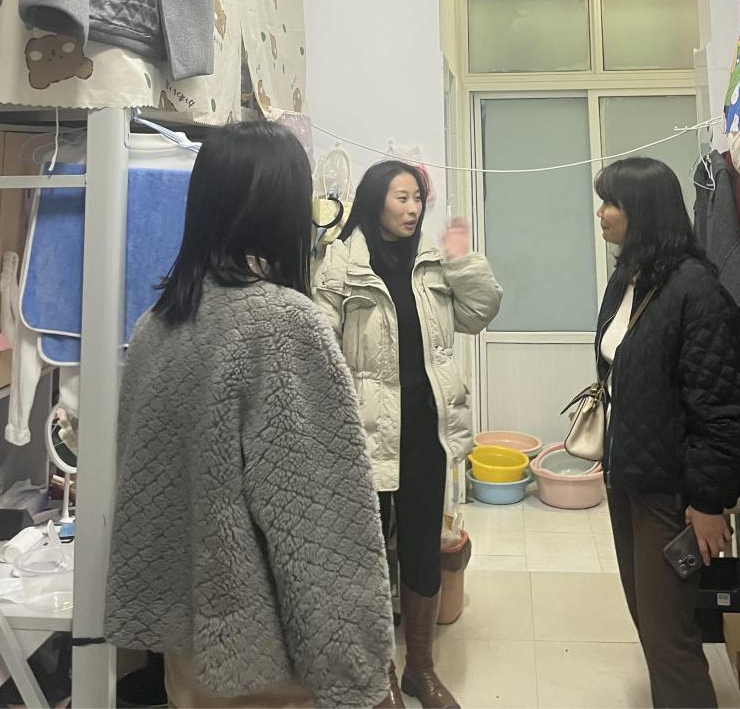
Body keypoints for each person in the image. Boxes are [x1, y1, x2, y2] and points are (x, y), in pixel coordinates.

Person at [103, 121, 394, 709]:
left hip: (186, 651)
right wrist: (360, 671)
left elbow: (141, 490)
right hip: (264, 656)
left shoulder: (156, 326)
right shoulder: (283, 324)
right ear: (283, 210)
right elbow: (320, 523)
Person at [315, 160, 502, 709]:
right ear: (375, 200)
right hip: (365, 434)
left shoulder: (433, 262)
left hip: (426, 429)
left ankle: (421, 669)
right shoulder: (341, 262)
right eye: (402, 197)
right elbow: (319, 341)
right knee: (368, 556)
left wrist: (462, 260)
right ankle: (379, 678)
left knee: (422, 547)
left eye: (418, 198)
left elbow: (481, 312)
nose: (414, 208)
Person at [594, 157, 740, 709]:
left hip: (670, 493)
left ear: (643, 210)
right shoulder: (630, 279)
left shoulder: (695, 289)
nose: (601, 213)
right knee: (649, 622)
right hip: (628, 478)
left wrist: (709, 502)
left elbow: (723, 407)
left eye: (612, 202)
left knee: (671, 640)